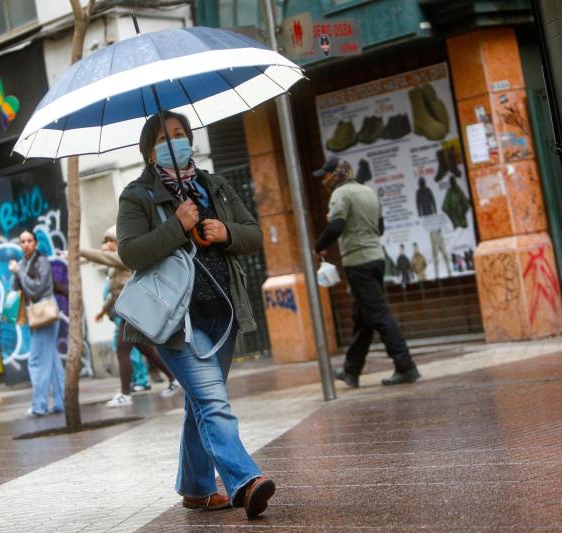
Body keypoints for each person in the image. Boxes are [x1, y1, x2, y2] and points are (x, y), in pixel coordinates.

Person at [117, 111, 275, 518]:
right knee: (212, 400)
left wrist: (225, 232)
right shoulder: (138, 195)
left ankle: (196, 488)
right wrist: (176, 224)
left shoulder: (214, 186)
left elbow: (253, 234)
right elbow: (130, 252)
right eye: (163, 138)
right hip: (177, 322)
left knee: (200, 402)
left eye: (180, 133)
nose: (175, 141)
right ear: (149, 152)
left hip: (224, 314)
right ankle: (245, 480)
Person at [313, 157, 421, 388]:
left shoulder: (341, 194)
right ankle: (351, 370)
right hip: (376, 258)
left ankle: (406, 366)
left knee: (379, 313)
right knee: (363, 316)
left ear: (336, 175)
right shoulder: (368, 192)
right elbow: (379, 228)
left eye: (326, 175)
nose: (324, 180)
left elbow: (337, 226)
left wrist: (319, 245)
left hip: (358, 261)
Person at [77, 225, 180, 407]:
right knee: (146, 349)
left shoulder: (125, 258)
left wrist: (79, 251)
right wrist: (103, 310)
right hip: (128, 310)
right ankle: (174, 378)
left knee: (122, 351)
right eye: (105, 241)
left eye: (111, 240)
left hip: (133, 310)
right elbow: (117, 292)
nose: (107, 244)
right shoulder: (113, 266)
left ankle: (125, 394)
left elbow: (101, 257)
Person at [10, 230, 65, 416]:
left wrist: (19, 272)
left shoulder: (41, 261)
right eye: (22, 241)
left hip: (45, 311)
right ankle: (61, 402)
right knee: (52, 360)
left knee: (36, 360)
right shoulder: (22, 264)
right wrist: (15, 273)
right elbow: (17, 290)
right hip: (36, 313)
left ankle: (39, 406)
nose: (26, 244)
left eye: (29, 240)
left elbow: (36, 289)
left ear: (35, 243)